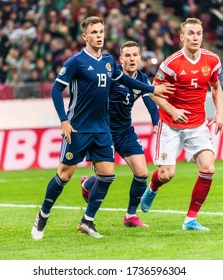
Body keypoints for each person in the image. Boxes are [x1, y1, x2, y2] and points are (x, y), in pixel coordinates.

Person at [31, 16, 172, 239]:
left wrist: (151, 88)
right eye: (94, 32)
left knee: (107, 175)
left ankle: (88, 221)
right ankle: (43, 214)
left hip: (102, 129)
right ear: (85, 36)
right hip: (78, 128)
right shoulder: (76, 62)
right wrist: (64, 120)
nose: (99, 36)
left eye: (101, 31)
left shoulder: (107, 62)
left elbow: (126, 81)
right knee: (64, 175)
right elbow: (56, 90)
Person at [140, 17, 223, 231]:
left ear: (202, 36)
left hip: (197, 125)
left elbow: (216, 87)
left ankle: (190, 219)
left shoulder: (212, 60)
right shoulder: (171, 64)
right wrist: (172, 110)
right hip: (170, 125)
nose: (195, 37)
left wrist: (220, 114)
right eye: (190, 33)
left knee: (208, 167)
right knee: (166, 175)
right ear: (182, 37)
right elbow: (153, 92)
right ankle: (152, 187)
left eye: (198, 33)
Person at [80, 41, 159, 228]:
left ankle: (130, 216)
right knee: (105, 176)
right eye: (128, 56)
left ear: (140, 58)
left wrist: (156, 122)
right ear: (121, 59)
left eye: (135, 55)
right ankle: (87, 200)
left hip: (125, 131)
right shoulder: (111, 75)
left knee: (142, 173)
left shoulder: (142, 79)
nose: (132, 59)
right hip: (103, 130)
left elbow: (150, 103)